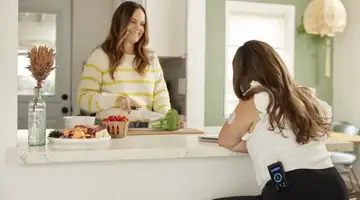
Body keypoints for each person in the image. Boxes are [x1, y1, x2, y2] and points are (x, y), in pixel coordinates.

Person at [216, 40, 348, 200]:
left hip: (291, 191)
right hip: (333, 187)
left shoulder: (255, 99)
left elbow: (225, 140)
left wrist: (253, 146)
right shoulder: (306, 98)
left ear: (241, 74)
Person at [77, 1, 171, 128]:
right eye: (133, 21)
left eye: (142, 24)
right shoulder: (100, 56)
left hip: (144, 131)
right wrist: (115, 99)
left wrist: (169, 120)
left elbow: (161, 98)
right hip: (110, 129)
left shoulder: (151, 59)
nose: (139, 28)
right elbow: (84, 99)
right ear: (120, 23)